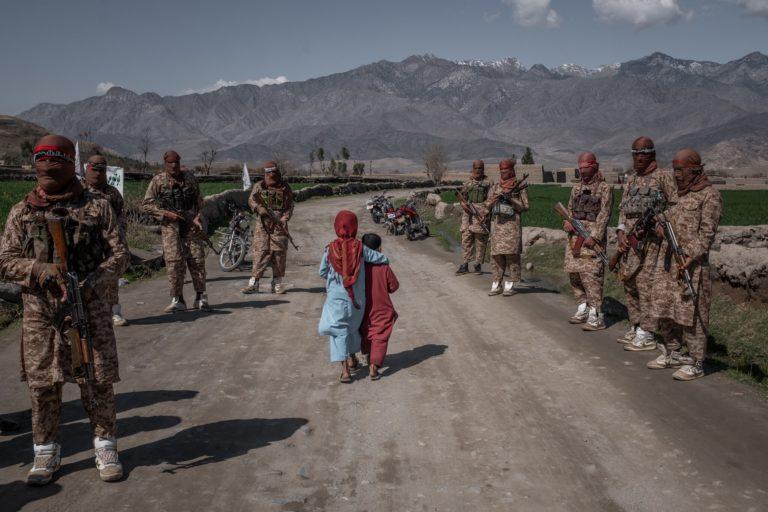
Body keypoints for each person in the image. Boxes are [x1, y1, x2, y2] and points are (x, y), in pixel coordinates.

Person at [0, 134, 129, 485]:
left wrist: (92, 283)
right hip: (40, 313)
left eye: (54, 164)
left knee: (97, 380)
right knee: (43, 384)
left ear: (70, 165)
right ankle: (46, 450)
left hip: (89, 307)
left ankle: (105, 445)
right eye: (41, 165)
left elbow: (120, 255)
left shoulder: (98, 206)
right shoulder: (22, 211)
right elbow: (5, 262)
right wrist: (37, 270)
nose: (47, 172)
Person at [646, 149, 722, 380]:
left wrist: (691, 255)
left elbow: (707, 235)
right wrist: (659, 227)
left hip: (692, 266)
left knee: (693, 314)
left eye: (680, 170)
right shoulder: (679, 194)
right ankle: (673, 352)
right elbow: (666, 219)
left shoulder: (710, 196)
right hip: (668, 262)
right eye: (674, 169)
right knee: (665, 307)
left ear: (695, 169)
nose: (676, 175)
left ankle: (697, 362)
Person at [615, 137, 677, 351]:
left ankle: (648, 333)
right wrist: (621, 232)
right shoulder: (631, 180)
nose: (638, 157)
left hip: (652, 244)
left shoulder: (663, 177)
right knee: (630, 284)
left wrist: (660, 222)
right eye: (635, 153)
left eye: (643, 153)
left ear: (652, 154)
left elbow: (675, 206)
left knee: (646, 286)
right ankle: (637, 325)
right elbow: (623, 209)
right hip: (631, 244)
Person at [318, 211, 388, 383]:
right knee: (352, 329)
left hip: (336, 299)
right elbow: (382, 258)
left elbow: (322, 272)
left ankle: (345, 370)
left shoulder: (330, 249)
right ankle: (352, 357)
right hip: (357, 300)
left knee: (338, 332)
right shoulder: (361, 248)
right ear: (355, 227)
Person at [141, 150, 210, 312]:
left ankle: (200, 297)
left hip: (191, 226)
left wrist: (197, 217)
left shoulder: (190, 178)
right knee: (174, 263)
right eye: (170, 163)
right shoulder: (158, 181)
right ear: (165, 164)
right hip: (171, 228)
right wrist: (165, 213)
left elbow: (199, 201)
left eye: (176, 162)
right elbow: (146, 204)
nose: (173, 166)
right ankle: (177, 299)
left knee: (197, 260)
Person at [563, 152, 614, 330]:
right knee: (574, 274)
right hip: (573, 240)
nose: (583, 172)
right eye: (581, 168)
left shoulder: (604, 188)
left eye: (586, 168)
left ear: (595, 167)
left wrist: (595, 235)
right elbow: (569, 210)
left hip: (591, 240)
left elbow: (605, 213)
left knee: (591, 276)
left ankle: (596, 314)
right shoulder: (576, 189)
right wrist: (567, 223)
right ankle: (582, 307)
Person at [83, 155, 129, 326]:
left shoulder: (112, 193)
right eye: (93, 170)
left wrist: (120, 236)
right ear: (87, 170)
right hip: (86, 244)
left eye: (101, 170)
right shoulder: (78, 190)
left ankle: (114, 312)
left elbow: (121, 216)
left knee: (111, 278)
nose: (97, 174)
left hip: (109, 242)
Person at [241, 161, 295, 295]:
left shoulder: (285, 187)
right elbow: (251, 200)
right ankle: (254, 283)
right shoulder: (259, 186)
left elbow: (290, 205)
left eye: (274, 175)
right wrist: (259, 208)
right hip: (263, 225)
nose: (271, 178)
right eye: (269, 175)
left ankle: (276, 284)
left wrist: (284, 218)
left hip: (279, 226)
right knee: (260, 253)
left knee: (279, 254)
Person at [485, 159, 529, 296]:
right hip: (498, 227)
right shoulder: (495, 186)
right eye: (501, 171)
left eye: (506, 171)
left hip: (512, 227)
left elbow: (525, 206)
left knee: (512, 256)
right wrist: (492, 201)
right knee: (496, 256)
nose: (503, 174)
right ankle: (496, 283)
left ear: (511, 171)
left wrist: (510, 199)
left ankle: (510, 284)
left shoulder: (519, 186)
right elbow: (487, 205)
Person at [360, 233, 399, 381]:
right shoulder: (383, 266)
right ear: (379, 248)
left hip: (363, 307)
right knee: (380, 334)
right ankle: (374, 366)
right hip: (382, 306)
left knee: (366, 331)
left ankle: (367, 355)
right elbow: (394, 287)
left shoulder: (359, 266)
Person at [456, 160, 491, 275]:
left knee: (480, 239)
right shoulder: (467, 183)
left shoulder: (488, 183)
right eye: (475, 168)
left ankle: (478, 263)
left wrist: (485, 212)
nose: (477, 171)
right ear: (472, 169)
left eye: (480, 168)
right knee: (466, 236)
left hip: (481, 212)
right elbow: (462, 197)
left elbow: (491, 199)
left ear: (483, 169)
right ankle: (465, 263)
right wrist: (463, 205)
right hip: (468, 213)